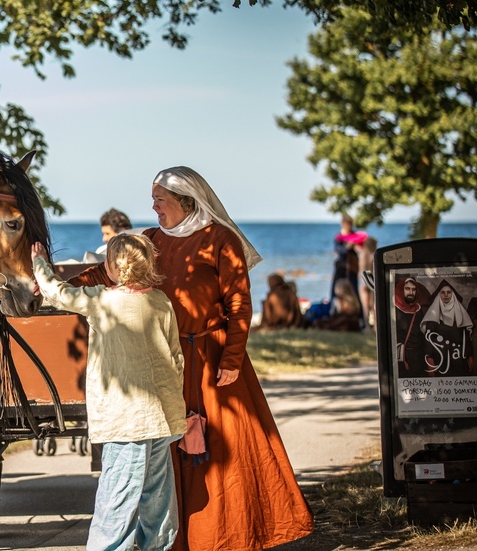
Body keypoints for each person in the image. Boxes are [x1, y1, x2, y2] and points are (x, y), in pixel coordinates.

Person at [68, 166, 312, 551]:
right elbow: (108, 271)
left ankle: (227, 537)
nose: (153, 207)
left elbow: (238, 304)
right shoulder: (149, 239)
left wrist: (231, 358)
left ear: (185, 201)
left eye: (159, 200)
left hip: (212, 358)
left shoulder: (220, 239)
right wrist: (66, 284)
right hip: (165, 359)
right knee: (166, 455)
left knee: (222, 452)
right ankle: (172, 541)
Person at [32, 233, 185, 551]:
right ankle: (157, 546)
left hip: (124, 418)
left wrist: (40, 263)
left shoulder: (103, 301)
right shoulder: (160, 302)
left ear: (115, 267)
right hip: (161, 417)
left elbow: (58, 294)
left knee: (118, 494)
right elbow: (176, 358)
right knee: (157, 494)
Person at [420, 279, 473, 377]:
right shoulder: (433, 315)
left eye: (449, 292)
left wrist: (469, 356)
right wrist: (430, 362)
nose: (446, 295)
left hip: (459, 359)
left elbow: (466, 337)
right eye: (443, 292)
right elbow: (428, 340)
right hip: (440, 360)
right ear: (439, 295)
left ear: (452, 294)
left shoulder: (460, 314)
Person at [394, 277, 428, 376]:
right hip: (401, 359)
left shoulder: (418, 310)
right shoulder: (394, 309)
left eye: (413, 289)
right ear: (401, 289)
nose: (411, 292)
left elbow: (422, 335)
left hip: (418, 358)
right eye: (407, 289)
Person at [331, 214, 365, 303]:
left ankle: (358, 313)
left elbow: (361, 248)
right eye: (347, 224)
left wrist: (356, 247)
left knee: (353, 289)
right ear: (343, 224)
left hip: (352, 265)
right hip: (341, 265)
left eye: (350, 224)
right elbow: (337, 249)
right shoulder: (339, 237)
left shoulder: (354, 235)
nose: (349, 226)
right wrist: (347, 247)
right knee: (336, 288)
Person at [358, 236, 378, 330]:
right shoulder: (374, 255)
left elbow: (361, 270)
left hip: (363, 280)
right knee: (374, 305)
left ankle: (366, 326)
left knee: (365, 306)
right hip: (372, 280)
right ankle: (375, 326)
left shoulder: (362, 254)